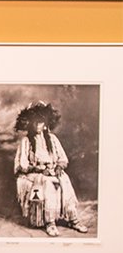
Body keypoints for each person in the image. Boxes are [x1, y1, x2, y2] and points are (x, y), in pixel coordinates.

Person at [14, 101, 88, 238]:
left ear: (46, 123)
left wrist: (59, 167)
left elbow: (63, 158)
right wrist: (39, 170)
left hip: (52, 171)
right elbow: (23, 164)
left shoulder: (52, 139)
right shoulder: (26, 141)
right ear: (30, 123)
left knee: (64, 181)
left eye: (41, 122)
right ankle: (50, 222)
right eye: (35, 122)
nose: (38, 125)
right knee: (49, 184)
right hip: (33, 174)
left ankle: (73, 219)